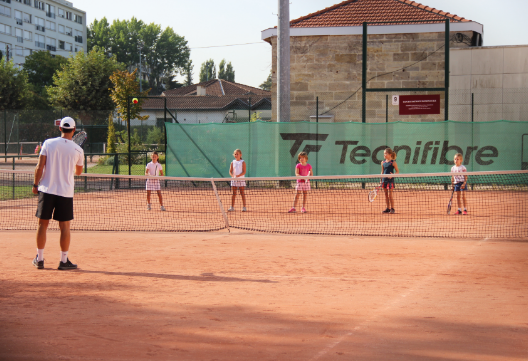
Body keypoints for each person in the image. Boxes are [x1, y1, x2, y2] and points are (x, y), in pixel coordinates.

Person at [32, 117, 84, 270]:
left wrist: (35, 184)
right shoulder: (78, 150)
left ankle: (40, 259)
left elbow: (39, 167)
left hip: (47, 190)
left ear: (60, 128)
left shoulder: (48, 143)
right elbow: (79, 172)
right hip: (65, 192)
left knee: (42, 224)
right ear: (73, 130)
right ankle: (63, 261)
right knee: (65, 227)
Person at [381, 147, 399, 214]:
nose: (384, 155)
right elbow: (382, 172)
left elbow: (397, 171)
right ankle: (387, 208)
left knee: (390, 195)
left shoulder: (393, 162)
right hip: (384, 180)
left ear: (390, 154)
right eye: (384, 154)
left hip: (390, 181)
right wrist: (381, 180)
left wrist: (392, 175)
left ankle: (392, 208)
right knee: (386, 195)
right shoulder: (382, 162)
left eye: (386, 153)